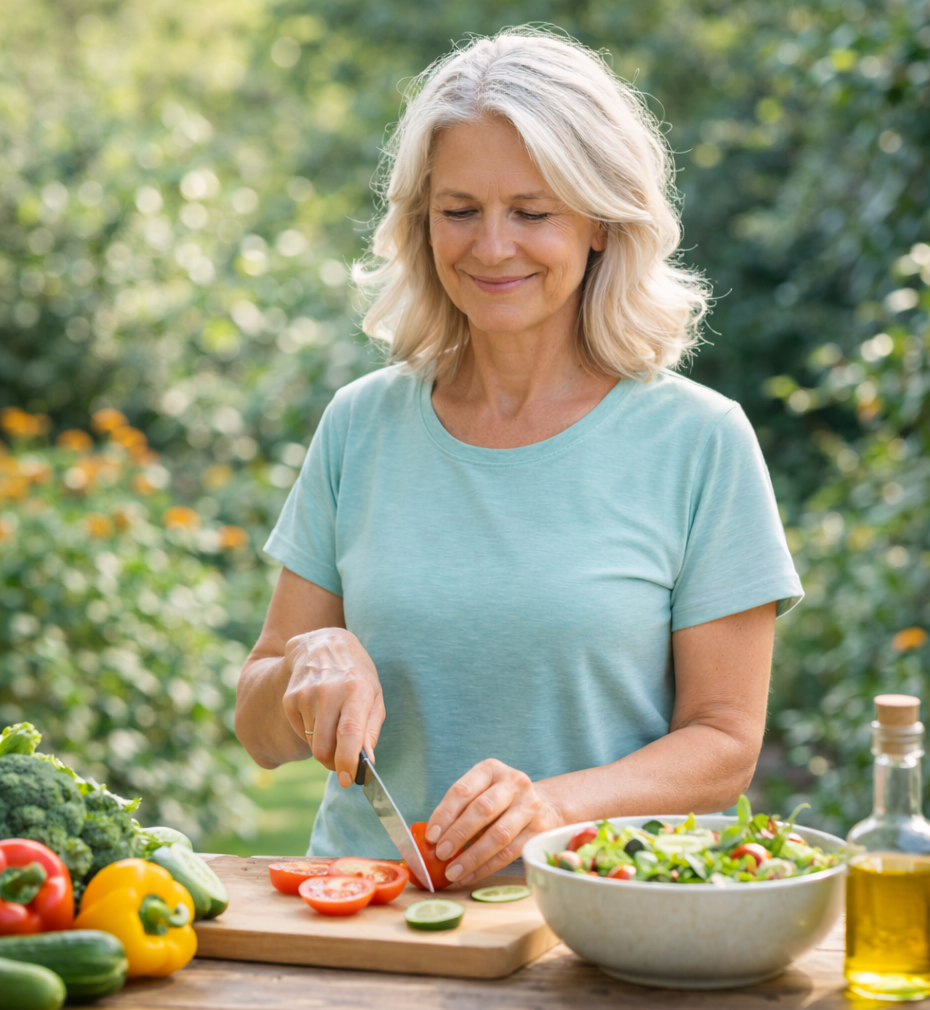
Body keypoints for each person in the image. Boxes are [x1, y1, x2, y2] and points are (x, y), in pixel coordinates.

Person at [235, 28, 802, 887]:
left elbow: (724, 745)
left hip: (594, 917)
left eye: (532, 212)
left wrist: (555, 807)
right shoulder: (361, 424)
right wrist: (306, 667)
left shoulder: (701, 442)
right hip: (366, 917)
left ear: (602, 224)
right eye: (459, 210)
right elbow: (257, 722)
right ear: (422, 224)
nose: (491, 247)